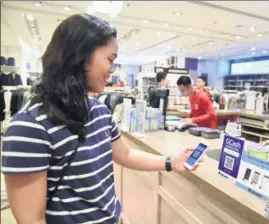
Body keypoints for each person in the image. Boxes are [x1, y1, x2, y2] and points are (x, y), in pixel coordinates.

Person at [1, 14, 203, 224]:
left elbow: (125, 155)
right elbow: (31, 220)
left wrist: (170, 162)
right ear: (80, 54)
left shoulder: (99, 111)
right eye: (110, 59)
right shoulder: (29, 127)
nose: (112, 70)